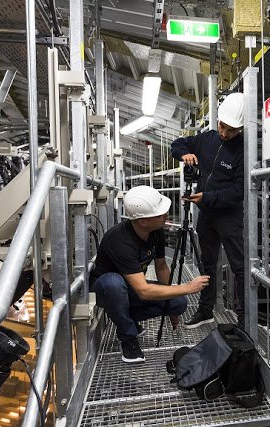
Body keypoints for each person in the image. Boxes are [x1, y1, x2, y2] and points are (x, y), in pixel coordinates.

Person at [90, 185, 210, 363]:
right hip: (106, 290)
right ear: (143, 221)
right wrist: (186, 287)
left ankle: (125, 318)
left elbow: (161, 267)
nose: (166, 217)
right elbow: (144, 291)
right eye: (161, 215)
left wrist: (170, 302)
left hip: (132, 287)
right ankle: (128, 337)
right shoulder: (120, 240)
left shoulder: (155, 232)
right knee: (113, 283)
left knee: (178, 303)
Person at [170, 92, 246, 329]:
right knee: (207, 264)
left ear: (240, 129)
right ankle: (206, 311)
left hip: (228, 216)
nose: (224, 133)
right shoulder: (206, 139)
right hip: (207, 216)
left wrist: (209, 197)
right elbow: (177, 143)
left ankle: (245, 318)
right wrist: (185, 153)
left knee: (239, 267)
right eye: (223, 126)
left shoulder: (243, 150)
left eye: (231, 130)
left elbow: (239, 190)